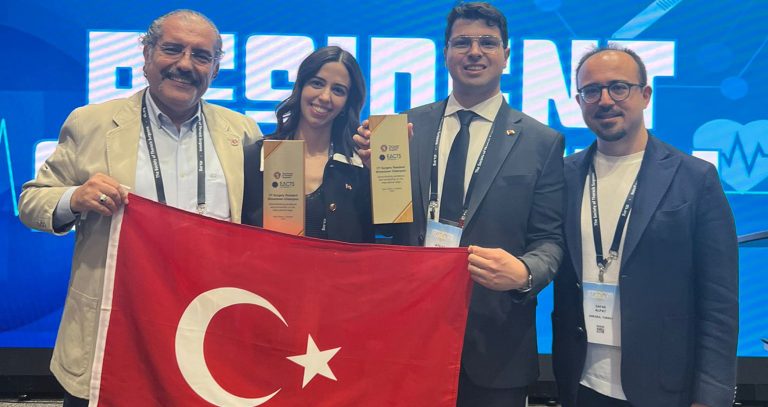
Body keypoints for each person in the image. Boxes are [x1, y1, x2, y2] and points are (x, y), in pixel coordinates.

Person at [17, 10, 261, 406]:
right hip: (114, 332)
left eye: (201, 56)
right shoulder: (92, 123)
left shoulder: (243, 131)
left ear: (215, 69)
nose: (185, 65)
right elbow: (32, 201)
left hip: (206, 337)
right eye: (172, 49)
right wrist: (74, 198)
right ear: (147, 55)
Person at [355, 3, 565, 405]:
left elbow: (550, 240)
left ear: (506, 55)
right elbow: (384, 225)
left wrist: (524, 273)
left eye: (488, 42)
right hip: (409, 335)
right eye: (462, 42)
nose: (475, 52)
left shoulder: (541, 141)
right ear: (446, 53)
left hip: (495, 344)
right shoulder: (403, 127)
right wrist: (372, 174)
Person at [551, 45, 739, 407]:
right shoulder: (564, 175)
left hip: (664, 386)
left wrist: (711, 396)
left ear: (645, 95)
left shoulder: (695, 178)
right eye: (592, 91)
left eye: (618, 87)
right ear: (579, 101)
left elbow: (720, 302)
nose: (605, 100)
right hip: (580, 381)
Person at [242, 46, 374, 243]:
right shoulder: (254, 159)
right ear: (301, 87)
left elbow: (391, 229)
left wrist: (380, 175)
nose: (325, 97)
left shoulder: (359, 167)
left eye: (338, 90)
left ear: (347, 102)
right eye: (317, 83)